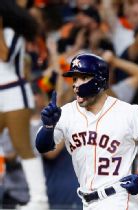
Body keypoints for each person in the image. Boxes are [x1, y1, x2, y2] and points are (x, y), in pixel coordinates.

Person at [34, 53, 138, 210]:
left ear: (99, 80)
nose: (76, 84)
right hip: (87, 202)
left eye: (83, 78)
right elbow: (43, 147)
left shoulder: (129, 112)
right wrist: (48, 127)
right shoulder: (66, 113)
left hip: (119, 198)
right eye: (74, 79)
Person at [0, 0, 49, 209]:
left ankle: (40, 200)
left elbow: (5, 56)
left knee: (22, 147)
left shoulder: (12, 33)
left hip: (15, 93)